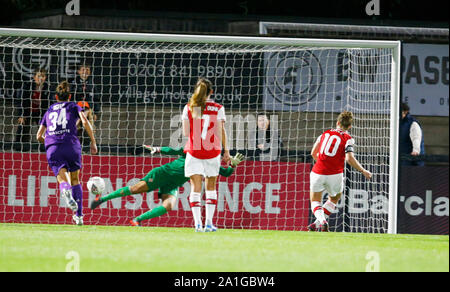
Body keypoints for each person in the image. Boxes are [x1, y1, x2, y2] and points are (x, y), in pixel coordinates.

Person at [89, 146, 245, 226]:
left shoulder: (211, 162)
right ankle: (102, 199)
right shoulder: (194, 150)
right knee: (135, 189)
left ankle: (137, 220)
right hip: (163, 173)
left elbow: (225, 174)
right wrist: (158, 149)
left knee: (169, 205)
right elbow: (174, 150)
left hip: (173, 184)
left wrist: (232, 165)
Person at [36, 81, 98, 226]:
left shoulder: (50, 109)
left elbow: (39, 136)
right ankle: (79, 216)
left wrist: (49, 141)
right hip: (71, 144)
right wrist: (93, 142)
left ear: (56, 96)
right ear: (69, 96)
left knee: (63, 179)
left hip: (53, 146)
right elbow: (84, 121)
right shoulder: (73, 106)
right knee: (75, 179)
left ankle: (65, 191)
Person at [308, 111, 372, 232]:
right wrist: (363, 170)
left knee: (315, 200)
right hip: (335, 174)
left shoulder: (324, 134)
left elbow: (313, 153)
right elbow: (349, 158)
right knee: (335, 198)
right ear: (350, 126)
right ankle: (318, 223)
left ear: (337, 122)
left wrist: (323, 163)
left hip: (317, 171)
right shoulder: (348, 138)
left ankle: (320, 222)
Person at [182, 78, 231, 232]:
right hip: (212, 152)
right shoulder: (218, 108)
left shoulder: (191, 107)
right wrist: (227, 151)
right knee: (211, 187)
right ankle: (209, 223)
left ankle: (198, 224)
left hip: (195, 151)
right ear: (211, 92)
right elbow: (220, 131)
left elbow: (185, 133)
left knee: (195, 188)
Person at [14, 68, 51, 152]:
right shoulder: (27, 86)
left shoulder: (47, 88)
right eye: (39, 76)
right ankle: (19, 148)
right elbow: (20, 100)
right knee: (23, 127)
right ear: (34, 77)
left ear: (45, 78)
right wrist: (21, 115)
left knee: (45, 129)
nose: (41, 78)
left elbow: (49, 103)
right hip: (27, 111)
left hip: (40, 112)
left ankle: (45, 147)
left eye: (43, 76)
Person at [400, 102, 425, 166]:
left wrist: (415, 151)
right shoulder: (399, 123)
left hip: (412, 163)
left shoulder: (413, 123)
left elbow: (416, 138)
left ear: (405, 112)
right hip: (403, 161)